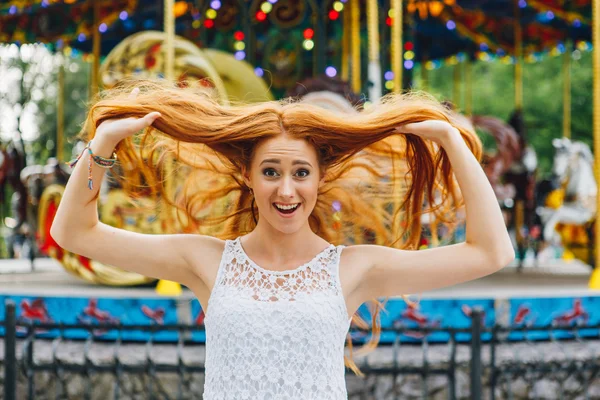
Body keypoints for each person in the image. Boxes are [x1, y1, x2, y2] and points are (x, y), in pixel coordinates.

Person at [50, 79, 514, 399]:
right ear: (249, 177)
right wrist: (103, 144)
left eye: (301, 173)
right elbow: (73, 232)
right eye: (270, 172)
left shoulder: (355, 268)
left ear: (318, 181)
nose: (286, 190)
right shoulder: (205, 261)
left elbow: (491, 252)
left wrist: (452, 143)